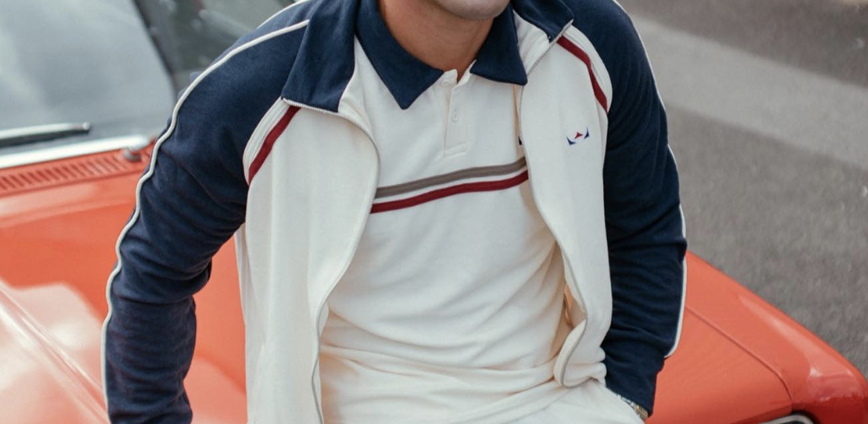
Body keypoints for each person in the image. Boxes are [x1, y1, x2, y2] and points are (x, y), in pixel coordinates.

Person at [101, 0, 687, 422]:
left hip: (559, 407)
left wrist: (624, 398)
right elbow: (152, 278)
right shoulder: (257, 91)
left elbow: (646, 225)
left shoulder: (593, 40)